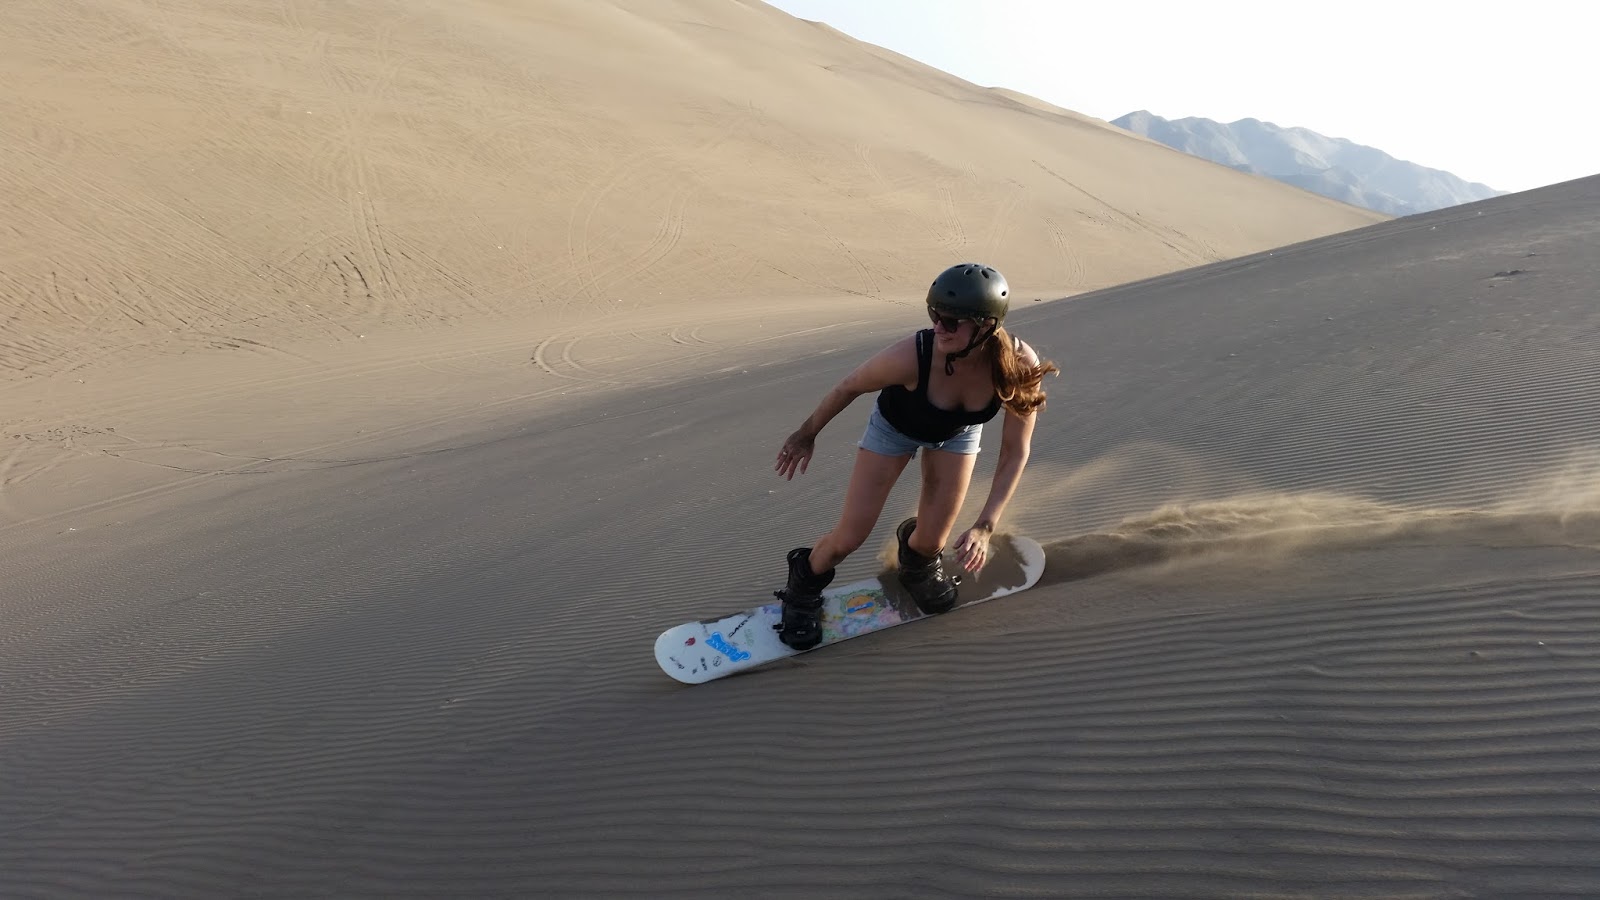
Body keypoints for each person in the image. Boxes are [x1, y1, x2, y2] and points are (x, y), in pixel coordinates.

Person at [771, 262, 1060, 650]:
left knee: (929, 543)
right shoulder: (913, 355)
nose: (939, 327)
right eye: (935, 315)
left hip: (957, 436)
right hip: (893, 431)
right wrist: (806, 434)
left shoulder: (1017, 366)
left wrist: (985, 526)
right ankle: (802, 586)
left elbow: (1014, 451)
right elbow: (848, 386)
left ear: (987, 325)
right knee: (848, 538)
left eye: (952, 322)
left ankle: (916, 562)